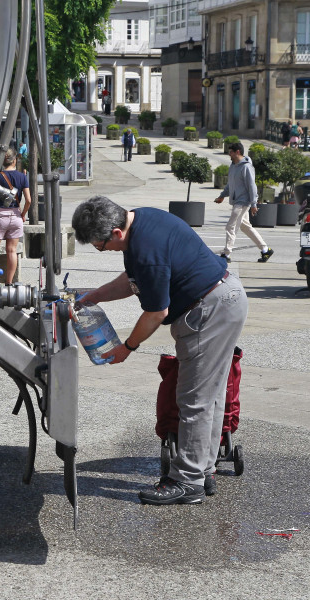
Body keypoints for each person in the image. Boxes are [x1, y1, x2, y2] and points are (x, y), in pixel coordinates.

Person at [71, 197, 248, 505]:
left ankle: (187, 481)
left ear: (116, 232)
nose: (103, 250)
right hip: (225, 297)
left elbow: (156, 313)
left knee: (194, 399)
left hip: (207, 309)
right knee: (211, 395)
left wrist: (127, 347)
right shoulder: (143, 219)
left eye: (100, 245)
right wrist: (95, 296)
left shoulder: (144, 250)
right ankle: (202, 470)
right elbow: (133, 280)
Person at [214, 142, 273, 263]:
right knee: (245, 227)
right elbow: (230, 185)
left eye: (231, 152)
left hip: (243, 202)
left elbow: (252, 186)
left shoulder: (246, 167)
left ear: (237, 152)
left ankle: (226, 254)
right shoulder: (233, 166)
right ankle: (265, 250)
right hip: (237, 201)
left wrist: (254, 204)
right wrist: (222, 196)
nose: (229, 154)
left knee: (231, 226)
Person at [0, 148, 31, 283]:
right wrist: (22, 214)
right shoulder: (22, 177)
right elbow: (29, 200)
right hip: (16, 216)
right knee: (12, 251)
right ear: (15, 160)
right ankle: (9, 283)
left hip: (0, 215)